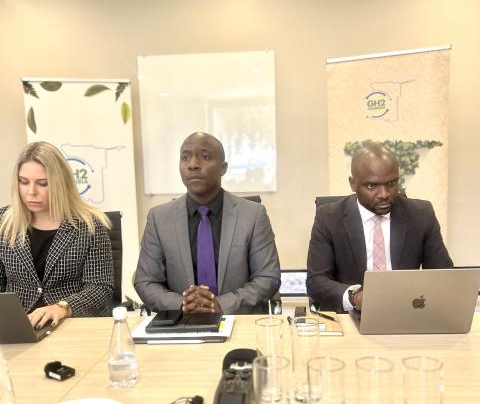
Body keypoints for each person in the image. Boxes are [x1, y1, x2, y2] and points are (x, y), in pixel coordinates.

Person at [135, 132, 281, 314]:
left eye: (204, 157)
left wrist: (219, 305)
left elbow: (268, 278)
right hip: (179, 325)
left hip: (238, 321)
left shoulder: (253, 215)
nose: (193, 165)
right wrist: (182, 304)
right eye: (185, 158)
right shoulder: (159, 218)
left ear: (223, 167)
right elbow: (146, 281)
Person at [307, 142, 453, 312]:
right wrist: (355, 297)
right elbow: (316, 282)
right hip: (352, 316)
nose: (384, 194)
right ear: (353, 184)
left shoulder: (421, 214)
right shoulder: (329, 218)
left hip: (408, 312)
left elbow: (443, 276)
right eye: (372, 186)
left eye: (391, 183)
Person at [0, 141, 114, 328]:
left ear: (60, 183)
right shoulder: (3, 223)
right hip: (20, 328)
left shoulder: (89, 225)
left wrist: (63, 307)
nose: (31, 192)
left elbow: (100, 288)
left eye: (42, 184)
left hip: (72, 326)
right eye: (23, 182)